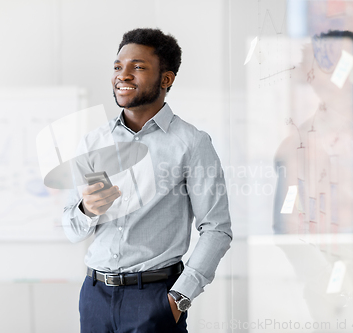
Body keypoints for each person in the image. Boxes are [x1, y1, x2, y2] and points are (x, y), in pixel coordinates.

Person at [62, 28, 232, 333]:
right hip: (94, 296)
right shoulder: (92, 142)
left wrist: (179, 298)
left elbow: (217, 229)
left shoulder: (192, 144)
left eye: (137, 67)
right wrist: (87, 210)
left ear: (166, 79)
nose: (122, 75)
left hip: (155, 298)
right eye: (117, 66)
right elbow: (71, 229)